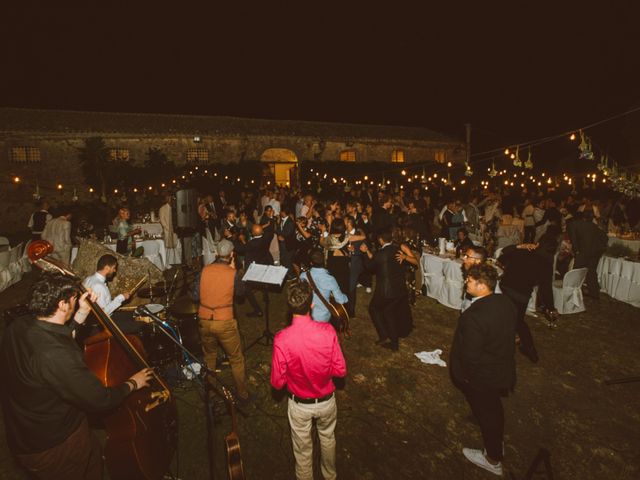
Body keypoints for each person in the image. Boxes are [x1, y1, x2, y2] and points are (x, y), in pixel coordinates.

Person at [0, 272, 152, 480]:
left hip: (24, 429)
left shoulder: (20, 325)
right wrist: (133, 383)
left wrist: (81, 312)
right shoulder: (56, 355)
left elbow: (58, 336)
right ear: (62, 305)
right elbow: (101, 399)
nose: (75, 300)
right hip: (54, 444)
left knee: (94, 456)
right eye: (73, 299)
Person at [270, 280, 347, 480]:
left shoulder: (281, 338)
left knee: (302, 449)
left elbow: (277, 382)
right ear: (311, 304)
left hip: (299, 405)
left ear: (289, 306)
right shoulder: (328, 331)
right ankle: (330, 476)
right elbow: (340, 371)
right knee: (327, 438)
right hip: (326, 401)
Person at [450, 263, 517, 477]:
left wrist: (465, 376)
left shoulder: (474, 316)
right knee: (494, 410)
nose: (465, 282)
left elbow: (470, 356)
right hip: (501, 369)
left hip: (482, 377)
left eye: (469, 280)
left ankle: (492, 459)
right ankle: (495, 443)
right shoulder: (506, 302)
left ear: (481, 285)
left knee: (488, 414)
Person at [195, 239, 251, 405]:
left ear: (216, 254)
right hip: (224, 321)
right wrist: (236, 273)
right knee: (236, 359)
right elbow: (241, 294)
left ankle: (210, 392)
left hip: (204, 320)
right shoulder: (232, 273)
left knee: (210, 356)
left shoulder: (204, 270)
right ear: (232, 254)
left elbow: (195, 295)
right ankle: (242, 394)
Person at [360, 229, 413, 351]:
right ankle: (393, 342)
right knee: (388, 312)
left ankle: (384, 335)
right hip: (399, 289)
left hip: (386, 291)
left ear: (380, 240)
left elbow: (369, 266)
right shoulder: (398, 250)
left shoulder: (381, 253)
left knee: (374, 309)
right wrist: (368, 251)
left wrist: (364, 253)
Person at [299, 249, 348, 324]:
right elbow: (340, 300)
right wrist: (346, 297)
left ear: (311, 263)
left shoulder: (303, 276)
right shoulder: (330, 279)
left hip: (306, 314)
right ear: (325, 260)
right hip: (322, 317)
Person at [568, 211, 608, 299]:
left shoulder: (574, 224)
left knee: (576, 272)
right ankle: (594, 293)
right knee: (592, 272)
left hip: (583, 252)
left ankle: (571, 294)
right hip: (595, 253)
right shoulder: (594, 226)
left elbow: (573, 239)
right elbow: (605, 237)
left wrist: (576, 251)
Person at [460, 245, 488, 312]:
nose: (464, 258)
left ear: (478, 261)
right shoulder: (472, 273)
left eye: (467, 256)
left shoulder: (483, 281)